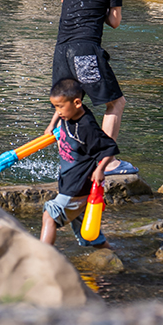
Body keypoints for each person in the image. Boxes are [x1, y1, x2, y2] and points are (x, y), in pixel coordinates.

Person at [52, 0, 135, 175]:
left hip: (61, 51)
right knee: (116, 103)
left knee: (69, 107)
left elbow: (64, 0)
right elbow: (115, 21)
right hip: (85, 52)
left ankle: (71, 161)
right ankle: (106, 162)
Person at [39, 78, 117, 249]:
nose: (58, 111)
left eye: (60, 106)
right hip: (71, 182)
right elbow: (62, 115)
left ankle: (42, 257)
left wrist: (100, 170)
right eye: (55, 107)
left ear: (77, 102)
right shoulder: (69, 114)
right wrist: (52, 125)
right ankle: (111, 255)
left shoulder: (86, 127)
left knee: (49, 215)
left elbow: (110, 147)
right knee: (88, 234)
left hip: (76, 187)